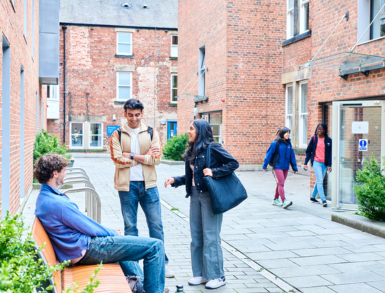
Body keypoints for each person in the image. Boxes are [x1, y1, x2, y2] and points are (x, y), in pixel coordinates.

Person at [34, 154, 168, 293]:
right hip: (88, 249)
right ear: (55, 173)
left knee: (123, 244)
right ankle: (152, 289)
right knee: (155, 247)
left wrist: (114, 235)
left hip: (78, 249)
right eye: (64, 170)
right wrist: (113, 233)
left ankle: (143, 286)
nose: (65, 173)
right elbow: (88, 227)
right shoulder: (58, 203)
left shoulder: (45, 197)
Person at [164, 120, 239, 290]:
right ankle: (201, 274)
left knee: (211, 237)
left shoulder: (213, 147)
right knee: (197, 237)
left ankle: (218, 276)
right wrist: (175, 180)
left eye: (191, 129)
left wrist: (214, 172)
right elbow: (191, 177)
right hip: (194, 196)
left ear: (201, 131)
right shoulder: (192, 151)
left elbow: (233, 163)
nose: (188, 131)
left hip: (209, 197)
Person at [109, 99, 175, 278]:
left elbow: (156, 159)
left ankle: (162, 263)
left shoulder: (151, 132)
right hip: (126, 186)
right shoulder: (118, 134)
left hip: (149, 186)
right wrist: (142, 157)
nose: (134, 118)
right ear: (125, 114)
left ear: (142, 114)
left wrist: (130, 155)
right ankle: (133, 269)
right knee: (130, 227)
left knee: (156, 226)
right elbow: (116, 159)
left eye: (137, 115)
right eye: (130, 115)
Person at [262, 127, 298, 209]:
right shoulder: (275, 143)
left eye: (289, 133)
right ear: (282, 134)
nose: (288, 134)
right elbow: (268, 155)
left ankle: (275, 199)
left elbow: (292, 156)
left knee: (280, 183)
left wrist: (294, 168)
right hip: (277, 166)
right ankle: (284, 200)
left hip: (285, 167)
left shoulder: (289, 144)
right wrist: (265, 165)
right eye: (286, 133)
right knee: (281, 182)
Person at [303, 122, 333, 207]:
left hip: (325, 163)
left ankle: (313, 197)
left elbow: (330, 153)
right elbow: (308, 151)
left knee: (319, 180)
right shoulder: (313, 139)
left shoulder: (329, 140)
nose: (319, 130)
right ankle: (323, 199)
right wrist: (305, 163)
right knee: (320, 180)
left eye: (321, 129)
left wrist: (330, 165)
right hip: (316, 162)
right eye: (318, 129)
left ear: (324, 130)